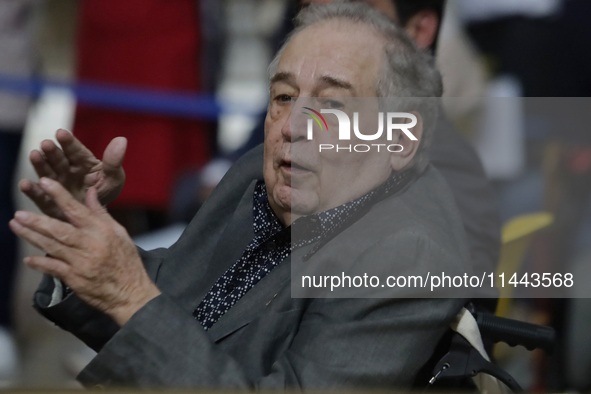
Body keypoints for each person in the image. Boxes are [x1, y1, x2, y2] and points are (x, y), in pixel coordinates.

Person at [11, 2, 470, 389]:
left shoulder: (406, 256)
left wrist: (127, 293)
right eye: (284, 97)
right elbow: (174, 294)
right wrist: (88, 233)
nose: (293, 127)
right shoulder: (260, 171)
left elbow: (145, 306)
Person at [234, 0, 501, 283]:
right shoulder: (271, 158)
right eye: (311, 11)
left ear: (419, 30)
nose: (326, 24)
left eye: (356, 9)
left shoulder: (444, 178)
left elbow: (459, 296)